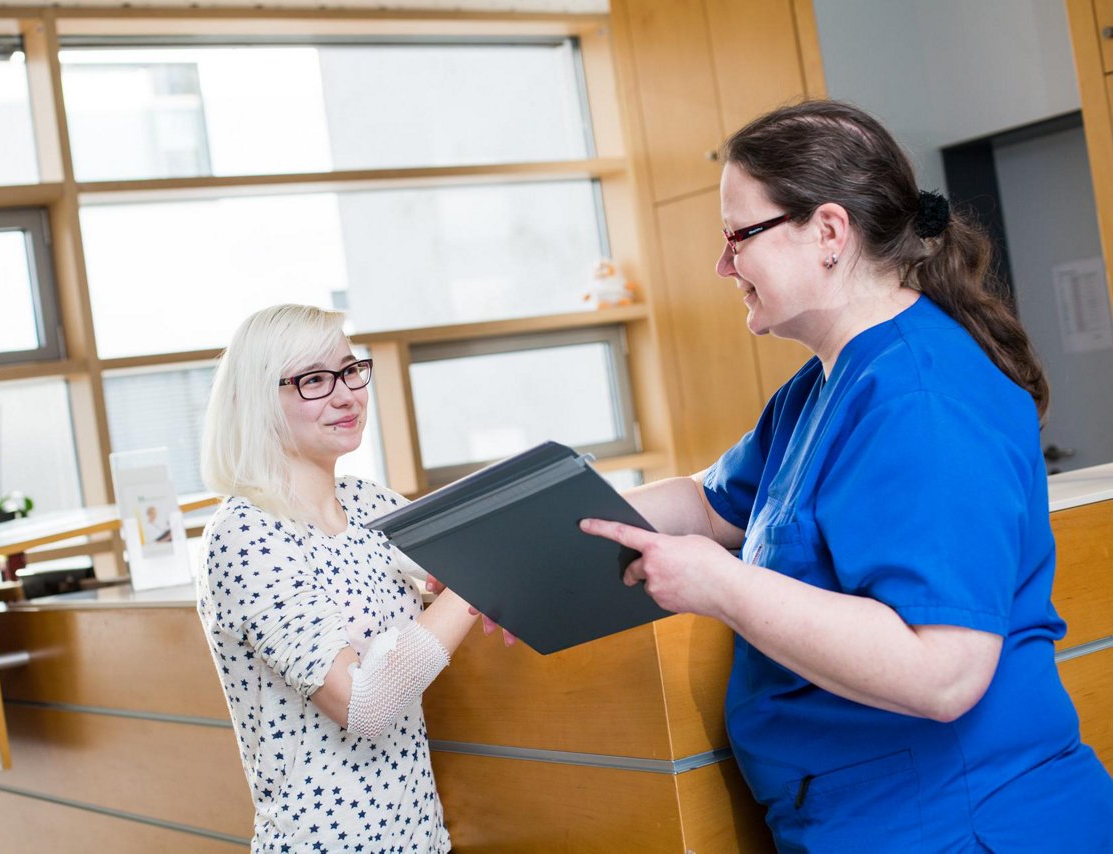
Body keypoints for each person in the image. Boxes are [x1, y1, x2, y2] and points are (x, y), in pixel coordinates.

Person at [581, 100, 1113, 850]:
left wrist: (723, 586)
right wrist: (541, 533)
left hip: (966, 824)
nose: (722, 264)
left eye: (739, 236)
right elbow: (707, 504)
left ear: (829, 232)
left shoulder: (922, 398)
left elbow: (945, 671)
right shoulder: (820, 387)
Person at [197, 304, 482, 852]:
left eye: (351, 370)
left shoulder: (370, 502)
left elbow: (461, 575)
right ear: (259, 399)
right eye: (314, 380)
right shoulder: (245, 535)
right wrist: (474, 586)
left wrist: (465, 580)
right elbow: (363, 705)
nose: (347, 393)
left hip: (421, 839)